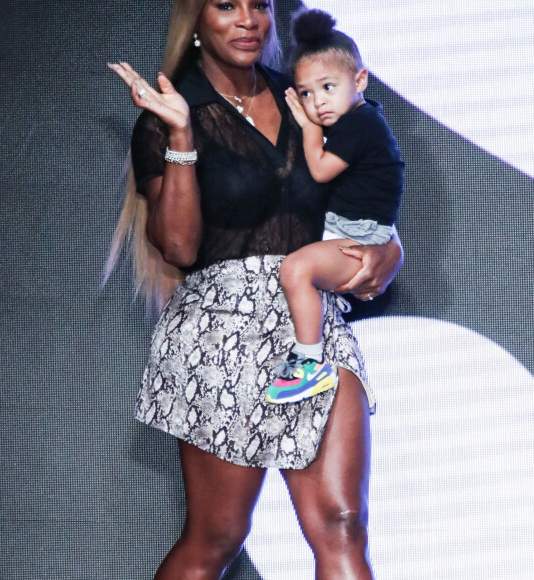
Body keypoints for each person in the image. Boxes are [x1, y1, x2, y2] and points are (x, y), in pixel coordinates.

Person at [108, 1, 403, 578]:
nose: (248, 19)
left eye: (260, 4)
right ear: (196, 19)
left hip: (313, 324)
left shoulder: (309, 96)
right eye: (226, 5)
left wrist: (388, 254)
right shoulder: (173, 115)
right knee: (216, 539)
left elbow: (372, 192)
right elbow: (178, 247)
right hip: (224, 326)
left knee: (343, 525)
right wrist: (182, 134)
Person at [266, 9, 404, 405]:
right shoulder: (356, 118)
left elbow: (322, 170)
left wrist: (310, 129)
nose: (317, 102)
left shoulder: (359, 124)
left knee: (296, 269)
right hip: (347, 229)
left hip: (356, 235)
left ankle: (308, 364)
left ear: (359, 79)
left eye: (328, 87)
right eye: (306, 93)